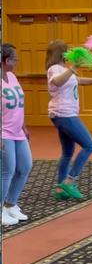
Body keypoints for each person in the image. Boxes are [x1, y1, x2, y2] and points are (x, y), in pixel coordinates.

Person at [46, 40, 92, 200]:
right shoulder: (54, 69)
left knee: (67, 153)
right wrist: (74, 66)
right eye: (67, 51)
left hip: (64, 114)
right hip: (64, 114)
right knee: (89, 145)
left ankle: (60, 189)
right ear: (61, 53)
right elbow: (58, 82)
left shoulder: (64, 69)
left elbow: (77, 81)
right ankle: (70, 181)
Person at [1, 44, 32, 226]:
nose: (17, 62)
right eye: (15, 59)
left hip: (17, 131)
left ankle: (10, 204)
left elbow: (19, 104)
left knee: (25, 167)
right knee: (7, 171)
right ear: (6, 60)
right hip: (3, 132)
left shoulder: (12, 76)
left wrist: (24, 126)